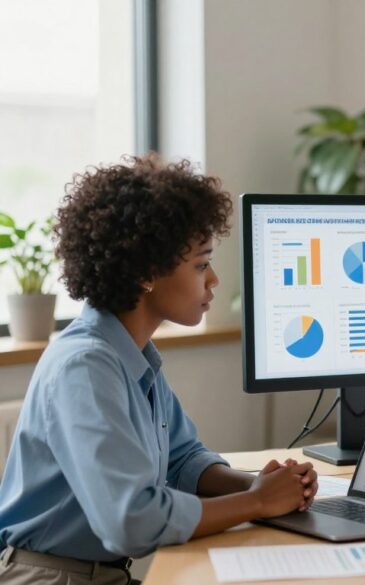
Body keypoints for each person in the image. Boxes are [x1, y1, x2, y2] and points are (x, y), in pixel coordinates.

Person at [0, 156, 318, 584]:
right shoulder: (85, 368)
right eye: (201, 265)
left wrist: (257, 485)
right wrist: (258, 503)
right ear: (149, 273)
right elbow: (132, 521)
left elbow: (184, 460)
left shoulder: (131, 354)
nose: (214, 281)